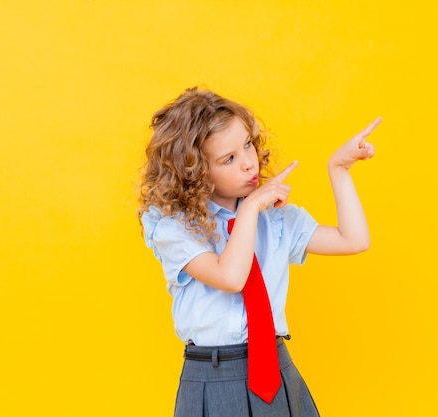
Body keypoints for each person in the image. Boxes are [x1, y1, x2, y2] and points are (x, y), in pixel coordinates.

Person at [138, 86, 381, 417]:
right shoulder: (174, 226)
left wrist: (339, 170)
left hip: (277, 372)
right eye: (229, 159)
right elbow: (231, 276)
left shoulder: (275, 218)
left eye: (248, 145)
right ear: (195, 172)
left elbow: (353, 240)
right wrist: (250, 209)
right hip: (212, 377)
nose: (249, 163)